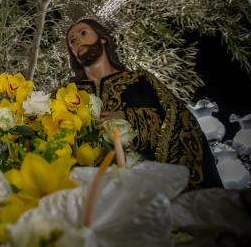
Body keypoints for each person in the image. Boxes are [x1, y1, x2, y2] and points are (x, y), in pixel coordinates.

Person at [65, 18, 221, 189]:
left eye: (83, 33)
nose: (77, 40)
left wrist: (130, 120)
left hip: (151, 184)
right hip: (96, 188)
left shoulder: (140, 80)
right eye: (72, 41)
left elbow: (179, 119)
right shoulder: (67, 94)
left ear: (102, 38)